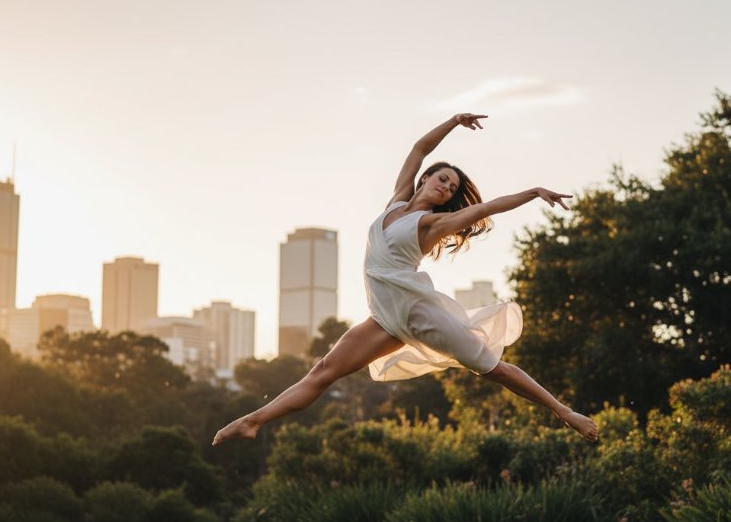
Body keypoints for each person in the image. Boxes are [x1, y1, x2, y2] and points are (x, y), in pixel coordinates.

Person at [212, 114, 598, 446]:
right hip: (385, 316)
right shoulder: (396, 202)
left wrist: (532, 193)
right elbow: (418, 148)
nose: (445, 187)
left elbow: (487, 207)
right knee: (322, 371)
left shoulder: (431, 223)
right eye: (441, 179)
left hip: (419, 313)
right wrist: (453, 121)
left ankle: (567, 414)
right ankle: (253, 421)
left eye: (450, 188)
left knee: (493, 369)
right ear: (426, 178)